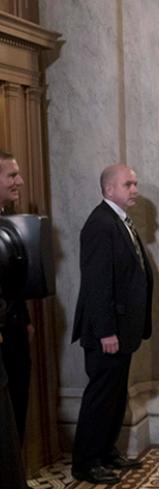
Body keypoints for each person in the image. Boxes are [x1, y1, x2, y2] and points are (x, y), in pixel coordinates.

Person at [71, 164, 152, 485]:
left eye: (135, 183)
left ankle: (106, 451)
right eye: (128, 184)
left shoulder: (119, 220)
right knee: (100, 397)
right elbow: (97, 283)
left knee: (116, 395)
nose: (134, 189)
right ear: (109, 190)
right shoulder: (100, 224)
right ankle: (85, 462)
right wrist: (106, 331)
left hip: (123, 329)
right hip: (107, 332)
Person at [0, 152, 32, 443]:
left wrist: (25, 319)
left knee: (16, 407)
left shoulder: (5, 219)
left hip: (14, 328)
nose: (19, 181)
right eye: (11, 175)